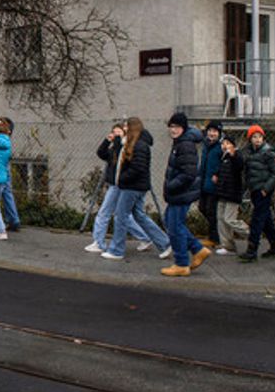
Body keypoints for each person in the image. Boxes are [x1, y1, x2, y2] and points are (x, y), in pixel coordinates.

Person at [102, 117, 171, 260]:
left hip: (131, 187)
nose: (124, 129)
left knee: (121, 216)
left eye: (127, 127)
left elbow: (138, 168)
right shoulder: (134, 144)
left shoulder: (139, 146)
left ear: (133, 128)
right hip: (135, 186)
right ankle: (164, 243)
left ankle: (116, 250)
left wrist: (121, 179)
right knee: (139, 215)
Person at [87, 122, 153, 254]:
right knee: (123, 216)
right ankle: (144, 238)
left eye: (119, 132)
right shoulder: (115, 148)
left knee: (105, 213)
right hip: (116, 184)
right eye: (114, 132)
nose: (116, 135)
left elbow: (123, 161)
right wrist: (107, 140)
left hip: (118, 185)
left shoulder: (124, 147)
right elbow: (101, 153)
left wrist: (117, 142)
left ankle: (99, 243)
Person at [160, 113, 209, 277]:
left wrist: (171, 186)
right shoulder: (180, 143)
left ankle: (181, 263)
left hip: (181, 193)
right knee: (170, 221)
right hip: (179, 193)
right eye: (171, 127)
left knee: (175, 227)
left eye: (177, 127)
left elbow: (188, 173)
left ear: (184, 128)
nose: (173, 130)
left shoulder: (185, 145)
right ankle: (197, 249)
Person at [238, 124, 275, 262]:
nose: (257, 139)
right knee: (266, 219)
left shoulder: (268, 152)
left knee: (257, 220)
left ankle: (252, 249)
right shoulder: (248, 152)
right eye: (254, 137)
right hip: (255, 189)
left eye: (259, 137)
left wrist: (266, 188)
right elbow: (247, 172)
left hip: (263, 190)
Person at [213, 135, 249, 256]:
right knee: (221, 219)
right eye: (223, 143)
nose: (225, 146)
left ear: (233, 145)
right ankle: (227, 245)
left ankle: (250, 233)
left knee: (229, 219)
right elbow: (222, 170)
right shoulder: (224, 157)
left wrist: (233, 155)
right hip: (222, 192)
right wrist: (216, 175)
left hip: (233, 193)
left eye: (228, 143)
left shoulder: (237, 155)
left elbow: (239, 166)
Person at [197, 121, 223, 249]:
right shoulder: (206, 146)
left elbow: (224, 164)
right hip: (204, 183)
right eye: (210, 131)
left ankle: (215, 238)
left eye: (215, 131)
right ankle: (215, 233)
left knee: (210, 211)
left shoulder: (220, 147)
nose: (212, 133)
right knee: (202, 208)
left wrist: (218, 174)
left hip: (213, 185)